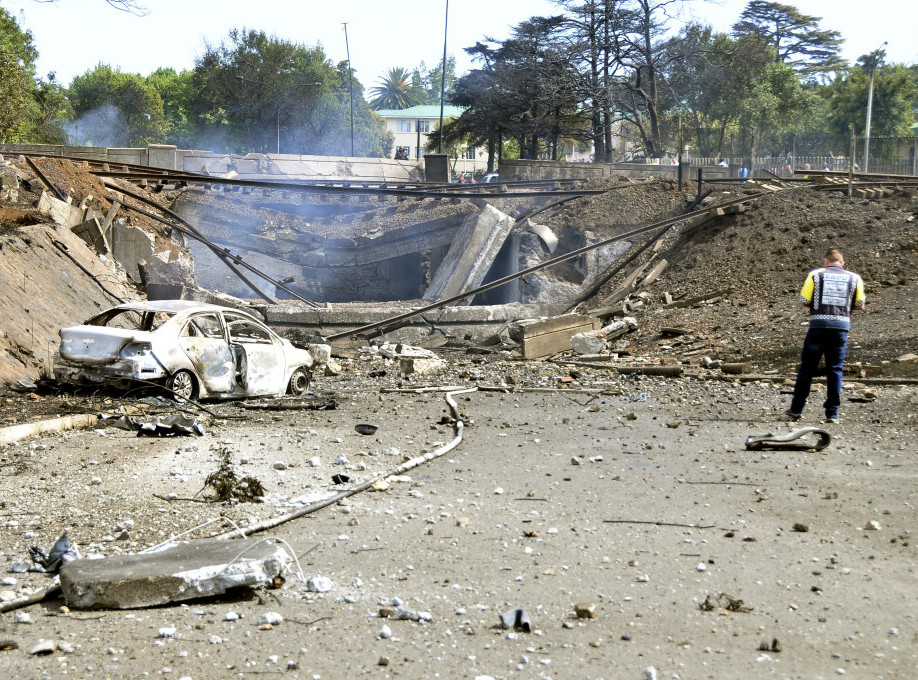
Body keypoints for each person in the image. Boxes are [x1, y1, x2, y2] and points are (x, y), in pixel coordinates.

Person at [787, 249, 865, 423]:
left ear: (826, 261)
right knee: (835, 369)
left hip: (818, 326)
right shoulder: (855, 278)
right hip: (841, 328)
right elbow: (860, 305)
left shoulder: (815, 275)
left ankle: (796, 410)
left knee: (807, 369)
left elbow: (804, 301)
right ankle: (832, 413)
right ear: (842, 262)